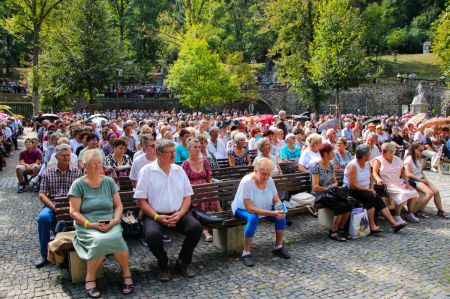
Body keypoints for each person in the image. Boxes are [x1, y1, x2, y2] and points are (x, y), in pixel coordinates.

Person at [134, 139, 202, 282]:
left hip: (179, 213)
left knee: (195, 228)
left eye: (174, 152)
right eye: (170, 152)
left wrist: (181, 213)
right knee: (152, 235)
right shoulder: (146, 171)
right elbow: (141, 200)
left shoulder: (179, 170)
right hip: (154, 215)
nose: (173, 155)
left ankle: (183, 261)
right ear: (158, 153)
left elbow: (187, 196)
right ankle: (163, 263)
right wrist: (157, 217)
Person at [68, 149, 133, 297]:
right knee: (98, 241)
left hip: (110, 222)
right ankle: (90, 278)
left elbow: (118, 206)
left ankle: (126, 273)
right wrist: (90, 225)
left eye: (100, 163)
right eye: (94, 164)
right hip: (88, 225)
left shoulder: (108, 182)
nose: (99, 167)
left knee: (115, 237)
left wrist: (115, 220)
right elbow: (74, 212)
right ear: (85, 165)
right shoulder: (78, 184)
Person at [231, 157, 290, 267]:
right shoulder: (247, 181)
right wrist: (273, 213)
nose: (267, 177)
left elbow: (276, 199)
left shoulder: (269, 180)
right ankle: (246, 253)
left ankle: (278, 247)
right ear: (255, 170)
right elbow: (250, 208)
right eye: (264, 174)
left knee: (282, 214)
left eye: (269, 174)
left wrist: (280, 208)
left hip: (264, 208)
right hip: (242, 209)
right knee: (253, 218)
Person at [34, 144, 83, 268]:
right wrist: (55, 208)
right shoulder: (47, 172)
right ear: (56, 156)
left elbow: (82, 193)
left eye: (68, 155)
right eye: (63, 155)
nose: (66, 158)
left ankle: (84, 248)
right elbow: (42, 195)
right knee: (43, 218)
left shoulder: (77, 172)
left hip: (72, 204)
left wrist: (73, 206)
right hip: (52, 204)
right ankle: (44, 254)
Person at [344, 144, 406, 234]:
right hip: (353, 190)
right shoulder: (353, 166)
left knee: (377, 198)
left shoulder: (367, 163)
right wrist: (368, 190)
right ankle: (372, 225)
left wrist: (372, 188)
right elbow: (352, 185)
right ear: (363, 155)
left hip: (366, 190)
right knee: (371, 197)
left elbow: (370, 178)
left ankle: (394, 223)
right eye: (369, 154)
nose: (370, 155)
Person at [311, 143, 352, 241]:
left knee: (349, 204)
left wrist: (334, 186)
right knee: (340, 206)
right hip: (319, 195)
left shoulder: (330, 165)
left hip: (331, 193)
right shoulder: (316, 167)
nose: (334, 154)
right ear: (325, 154)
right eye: (332, 152)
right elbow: (315, 187)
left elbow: (335, 182)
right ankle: (333, 232)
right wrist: (328, 189)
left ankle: (341, 230)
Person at [182, 138, 221, 242]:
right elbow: (183, 182)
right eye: (195, 147)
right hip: (192, 190)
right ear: (189, 149)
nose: (198, 149)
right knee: (202, 195)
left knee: (211, 194)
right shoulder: (185, 164)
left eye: (199, 147)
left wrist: (211, 188)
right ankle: (205, 230)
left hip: (206, 188)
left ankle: (217, 221)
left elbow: (209, 177)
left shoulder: (204, 161)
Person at [372, 142, 420, 224]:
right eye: (381, 150)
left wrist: (407, 183)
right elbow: (374, 172)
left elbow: (402, 172)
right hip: (387, 184)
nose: (382, 152)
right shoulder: (378, 160)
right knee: (402, 194)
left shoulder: (397, 159)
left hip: (398, 182)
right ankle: (397, 216)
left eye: (384, 151)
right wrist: (378, 179)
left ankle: (410, 213)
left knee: (414, 193)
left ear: (392, 152)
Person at [404, 142, 448, 219]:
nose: (422, 152)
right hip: (414, 180)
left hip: (420, 179)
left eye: (422, 150)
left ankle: (440, 211)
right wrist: (421, 180)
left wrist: (425, 179)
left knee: (436, 191)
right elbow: (408, 174)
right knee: (430, 193)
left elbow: (421, 171)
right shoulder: (409, 159)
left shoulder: (418, 158)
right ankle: (419, 211)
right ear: (414, 149)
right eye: (420, 150)